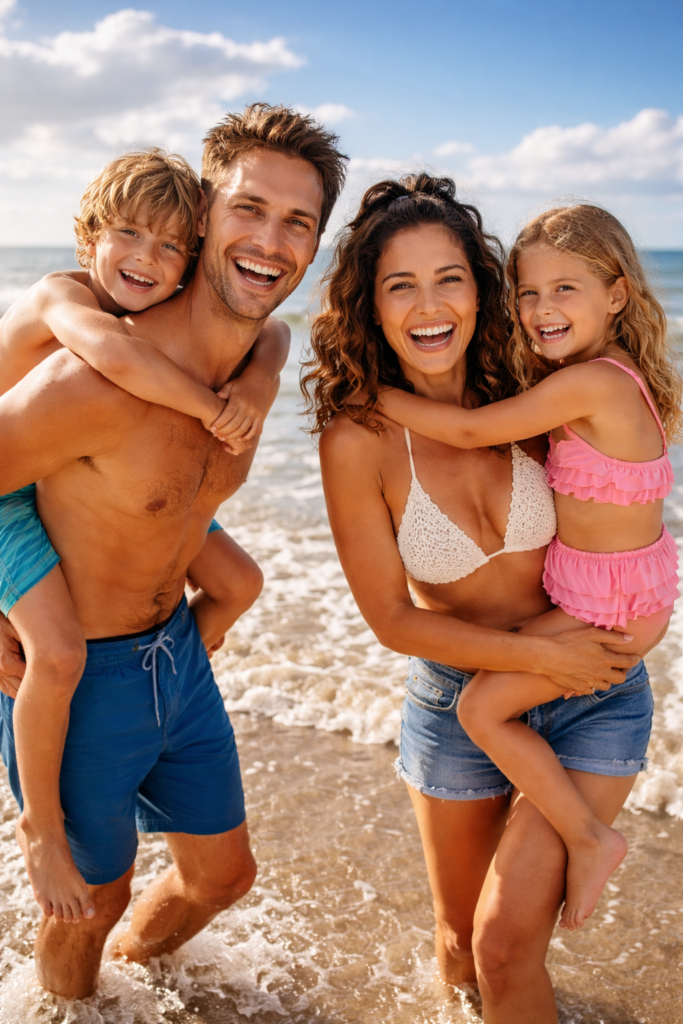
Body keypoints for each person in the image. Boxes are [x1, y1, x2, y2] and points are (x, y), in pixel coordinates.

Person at [0, 102, 347, 1001]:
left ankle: (128, 990)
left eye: (296, 221)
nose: (270, 240)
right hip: (80, 678)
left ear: (312, 248)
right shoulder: (95, 382)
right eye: (248, 208)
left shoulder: (251, 363)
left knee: (222, 877)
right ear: (201, 218)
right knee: (90, 898)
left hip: (179, 660)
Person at [303, 174, 648, 1024]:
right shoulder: (357, 439)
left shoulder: (530, 388)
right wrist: (539, 655)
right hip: (462, 698)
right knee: (461, 952)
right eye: (400, 284)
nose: (428, 304)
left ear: (480, 289)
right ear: (369, 308)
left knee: (504, 947)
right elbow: (391, 619)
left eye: (448, 277)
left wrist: (595, 635)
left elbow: (624, 505)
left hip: (591, 691)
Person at [377, 203, 681, 930]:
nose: (541, 308)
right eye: (527, 292)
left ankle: (587, 837)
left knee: (479, 708)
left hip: (606, 612)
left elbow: (475, 428)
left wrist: (373, 389)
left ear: (616, 294)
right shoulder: (604, 376)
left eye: (564, 289)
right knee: (484, 707)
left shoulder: (592, 384)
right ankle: (577, 834)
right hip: (620, 596)